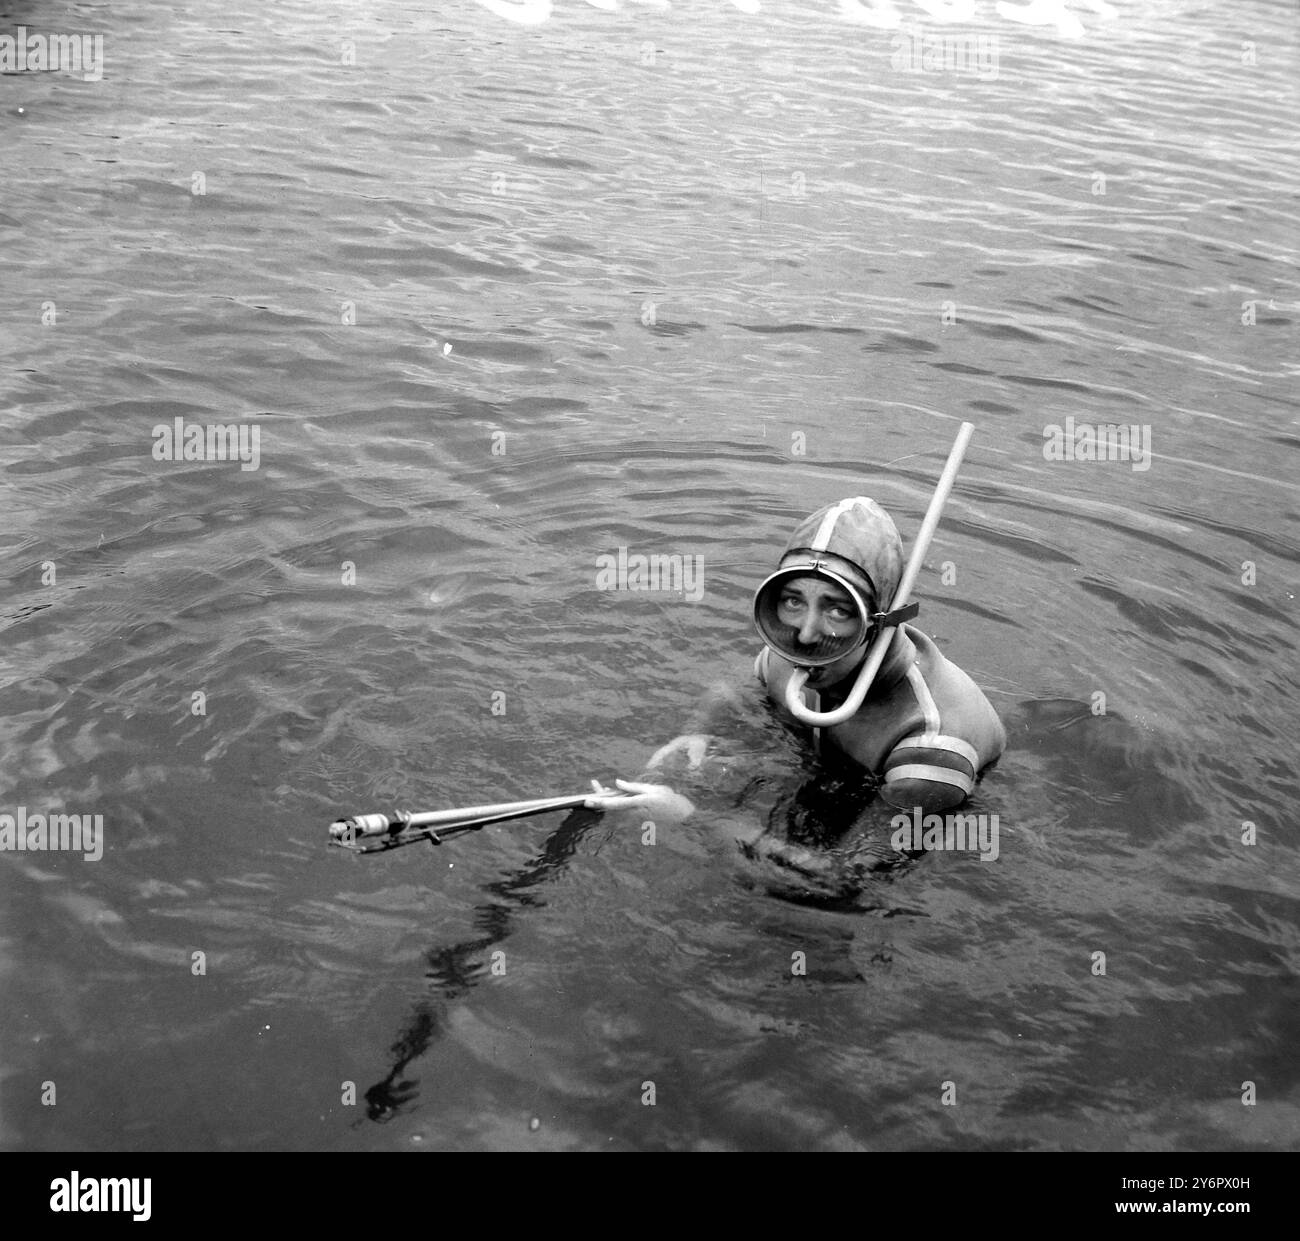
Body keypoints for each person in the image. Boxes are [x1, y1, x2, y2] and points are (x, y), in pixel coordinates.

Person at [584, 497, 1006, 868]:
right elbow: (745, 688)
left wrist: (693, 817)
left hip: (910, 811)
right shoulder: (798, 654)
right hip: (832, 773)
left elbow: (839, 881)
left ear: (879, 623)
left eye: (837, 610)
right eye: (792, 601)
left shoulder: (932, 745)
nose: (805, 635)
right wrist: (697, 732)